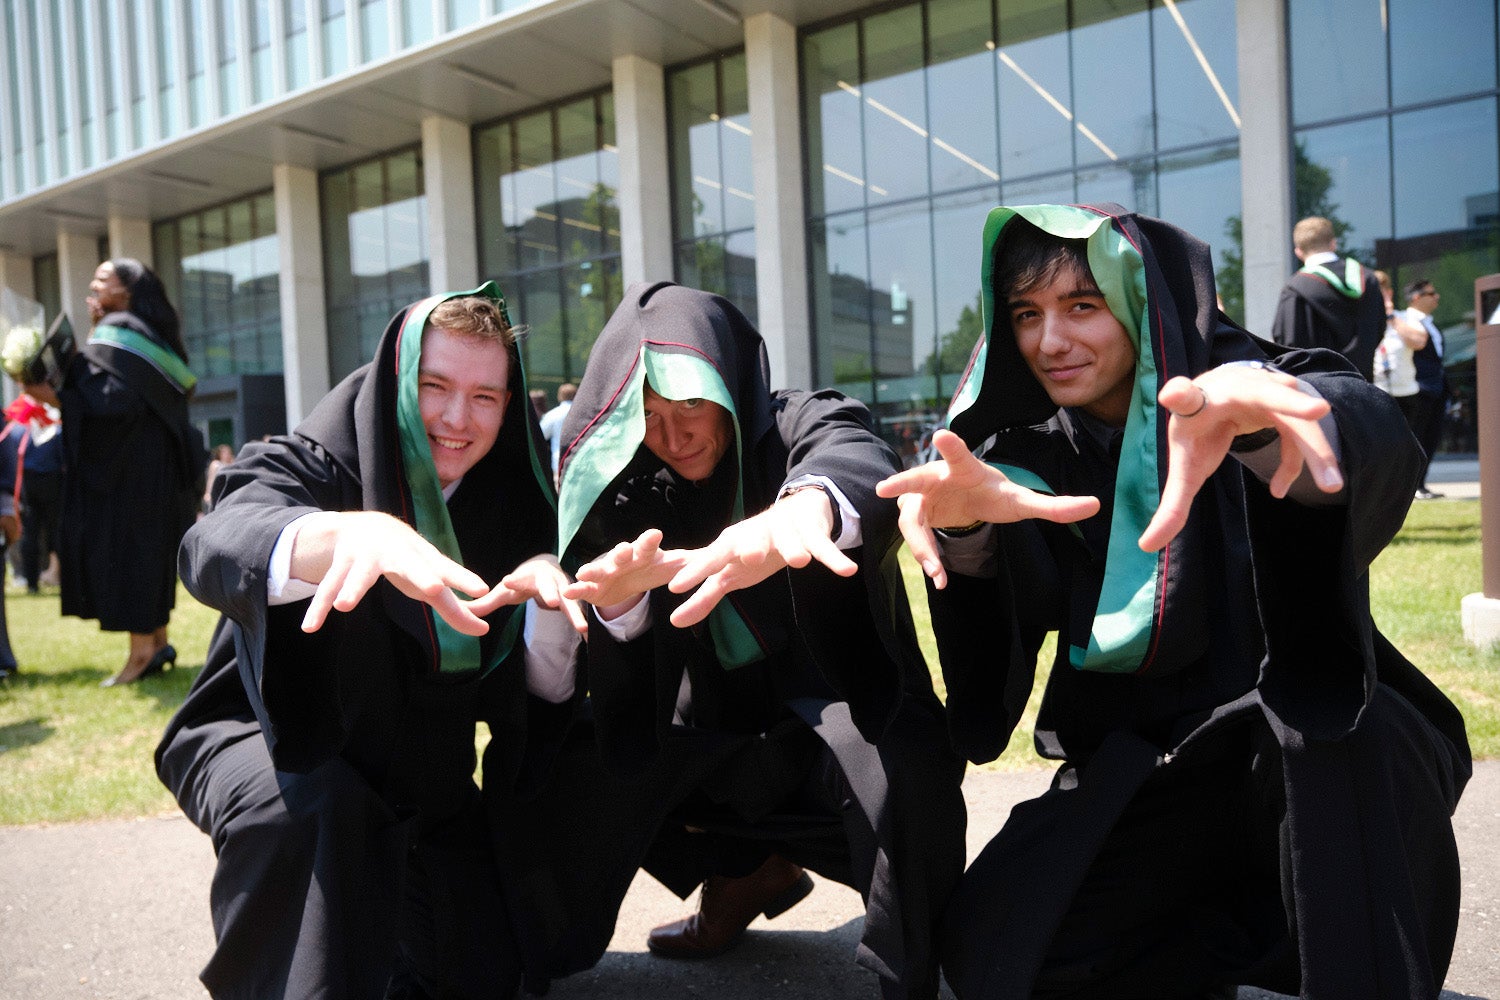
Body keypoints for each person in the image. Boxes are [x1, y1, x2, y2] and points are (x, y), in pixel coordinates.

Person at [878, 204, 1470, 999]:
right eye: (1026, 314)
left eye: (1081, 306)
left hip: (1296, 744)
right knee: (999, 953)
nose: (1050, 341)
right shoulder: (1023, 452)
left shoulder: (1239, 383)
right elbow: (1001, 638)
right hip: (1144, 765)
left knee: (1363, 745)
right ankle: (1253, 941)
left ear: (1137, 301)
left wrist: (1263, 434)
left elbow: (1358, 426)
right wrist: (970, 534)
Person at [528, 283, 965, 1000]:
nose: (676, 435)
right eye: (652, 412)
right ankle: (728, 878)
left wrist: (807, 506)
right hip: (711, 739)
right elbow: (621, 672)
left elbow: (853, 451)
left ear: (731, 387)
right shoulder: (629, 485)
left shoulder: (798, 422)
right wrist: (624, 605)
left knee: (902, 764)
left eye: (695, 404)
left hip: (834, 722)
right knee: (580, 758)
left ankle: (911, 968)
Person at [156, 286, 586, 1000]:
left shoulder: (507, 506)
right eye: (435, 387)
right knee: (316, 814)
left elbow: (526, 702)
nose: (457, 419)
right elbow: (216, 538)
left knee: (484, 962)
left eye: (485, 397)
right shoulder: (322, 465)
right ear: (393, 385)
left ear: (510, 408)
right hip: (265, 742)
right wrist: (343, 534)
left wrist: (547, 597)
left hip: (419, 774)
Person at [21, 259, 203, 686]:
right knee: (148, 555)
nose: (93, 285)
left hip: (130, 477)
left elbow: (111, 406)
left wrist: (57, 395)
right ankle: (157, 644)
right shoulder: (153, 336)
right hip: (154, 474)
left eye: (103, 280)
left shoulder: (118, 334)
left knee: (131, 556)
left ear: (127, 291)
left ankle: (140, 654)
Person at [1271, 215, 1385, 380]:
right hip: (1363, 385)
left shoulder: (1295, 290)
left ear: (1298, 251)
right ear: (1333, 243)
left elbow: (1286, 344)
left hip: (1319, 391)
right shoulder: (1367, 279)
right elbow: (1379, 328)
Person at [1401, 278, 1448, 500]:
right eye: (1432, 293)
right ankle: (1411, 486)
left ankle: (1421, 485)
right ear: (1417, 297)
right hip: (1417, 390)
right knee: (1416, 438)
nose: (1437, 297)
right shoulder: (1405, 320)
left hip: (1437, 389)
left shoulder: (1431, 323)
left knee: (1431, 438)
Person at [537, 381, 575, 482]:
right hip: (581, 460)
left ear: (560, 396)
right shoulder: (585, 413)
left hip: (560, 461)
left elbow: (540, 435)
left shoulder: (553, 415)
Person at [201, 442, 235, 515]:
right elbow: (211, 479)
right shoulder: (215, 464)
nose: (226, 454)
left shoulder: (232, 463)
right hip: (216, 493)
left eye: (228, 452)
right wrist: (208, 493)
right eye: (224, 452)